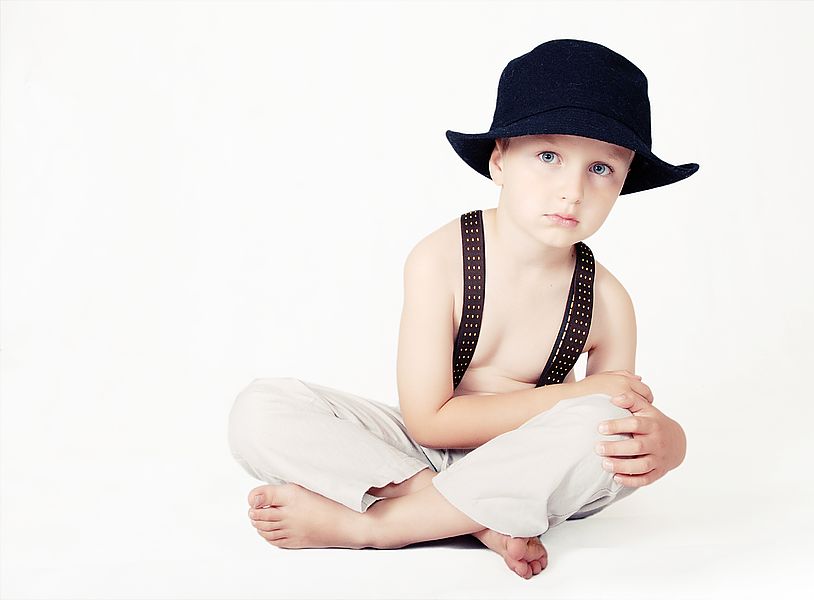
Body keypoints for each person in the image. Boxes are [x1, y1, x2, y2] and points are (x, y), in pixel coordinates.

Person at [228, 38, 699, 580]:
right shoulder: (442, 259)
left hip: (528, 468)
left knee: (605, 424)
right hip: (420, 458)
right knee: (260, 409)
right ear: (499, 160)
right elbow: (429, 422)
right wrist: (574, 395)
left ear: (623, 183)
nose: (571, 190)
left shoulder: (607, 302)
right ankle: (472, 520)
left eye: (601, 169)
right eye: (548, 157)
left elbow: (612, 418)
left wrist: (673, 445)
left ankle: (378, 525)